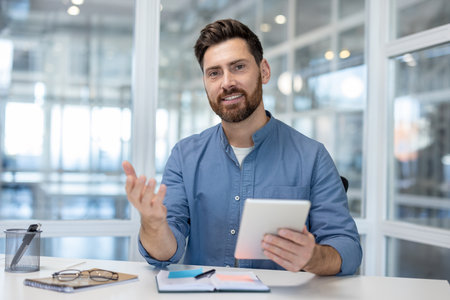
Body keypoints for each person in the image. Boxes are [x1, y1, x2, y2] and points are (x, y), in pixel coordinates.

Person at [123, 19, 362, 276]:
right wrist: (154, 225)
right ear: (205, 82)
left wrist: (313, 256)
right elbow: (164, 254)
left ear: (264, 71)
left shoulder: (312, 157)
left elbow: (346, 248)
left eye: (238, 67)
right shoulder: (185, 156)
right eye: (214, 73)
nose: (226, 83)